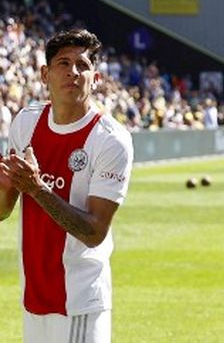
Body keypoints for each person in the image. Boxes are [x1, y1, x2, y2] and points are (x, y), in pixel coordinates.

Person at [0, 29, 134, 343]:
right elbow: (3, 210)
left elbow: (95, 231)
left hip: (79, 300)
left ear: (96, 78)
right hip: (33, 295)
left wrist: (37, 189)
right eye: (63, 63)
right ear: (45, 73)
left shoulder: (111, 140)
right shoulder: (25, 123)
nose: (73, 72)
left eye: (82, 65)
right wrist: (6, 185)